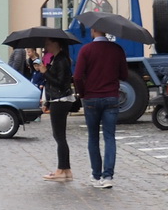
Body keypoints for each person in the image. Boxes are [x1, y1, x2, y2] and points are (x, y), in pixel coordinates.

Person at [73, 23, 131, 189]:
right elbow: (124, 75)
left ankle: (96, 175)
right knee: (109, 137)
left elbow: (77, 77)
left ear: (93, 30)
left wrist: (83, 93)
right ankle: (108, 176)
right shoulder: (117, 50)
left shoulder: (86, 50)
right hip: (111, 97)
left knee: (93, 137)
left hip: (91, 98)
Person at [38, 38, 75, 183]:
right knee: (59, 136)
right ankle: (66, 170)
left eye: (48, 43)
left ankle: (61, 169)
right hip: (57, 99)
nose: (46, 46)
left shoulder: (61, 60)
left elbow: (59, 83)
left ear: (57, 44)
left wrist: (45, 72)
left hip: (61, 100)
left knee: (59, 136)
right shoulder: (56, 59)